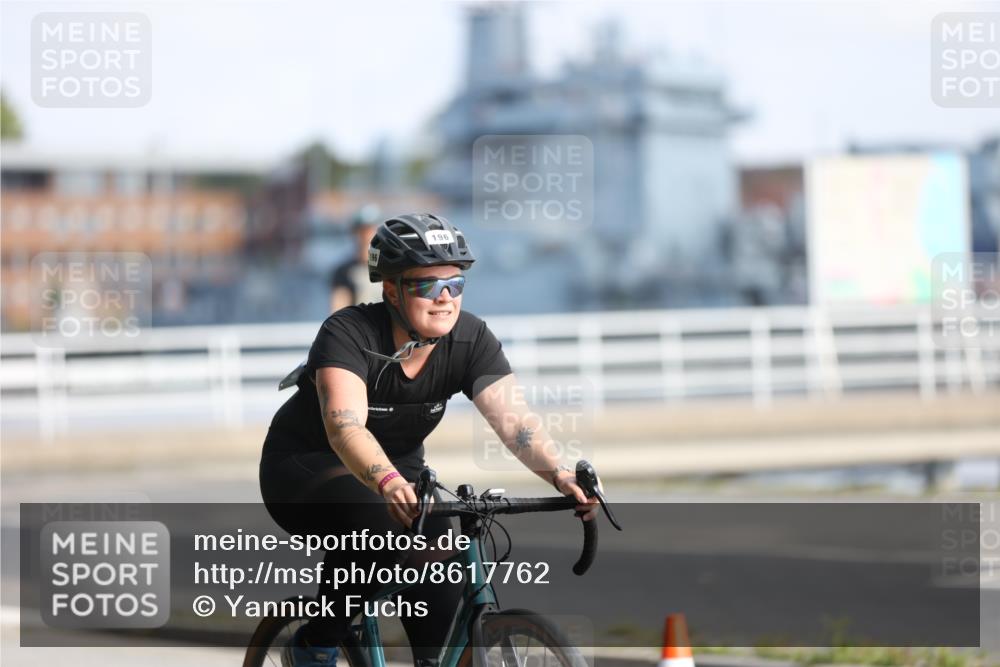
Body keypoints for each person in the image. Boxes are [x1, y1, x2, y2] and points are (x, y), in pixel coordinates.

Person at [260, 213, 598, 667]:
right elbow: (345, 427)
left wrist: (559, 474)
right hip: (307, 467)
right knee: (374, 524)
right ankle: (314, 645)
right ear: (392, 290)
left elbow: (515, 421)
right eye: (427, 285)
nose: (444, 298)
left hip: (403, 472)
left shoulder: (471, 338)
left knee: (441, 561)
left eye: (455, 284)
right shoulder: (348, 333)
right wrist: (387, 482)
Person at [329, 205, 383, 312]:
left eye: (371, 229)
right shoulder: (344, 271)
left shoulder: (390, 267)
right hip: (358, 321)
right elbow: (339, 308)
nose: (367, 235)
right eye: (363, 230)